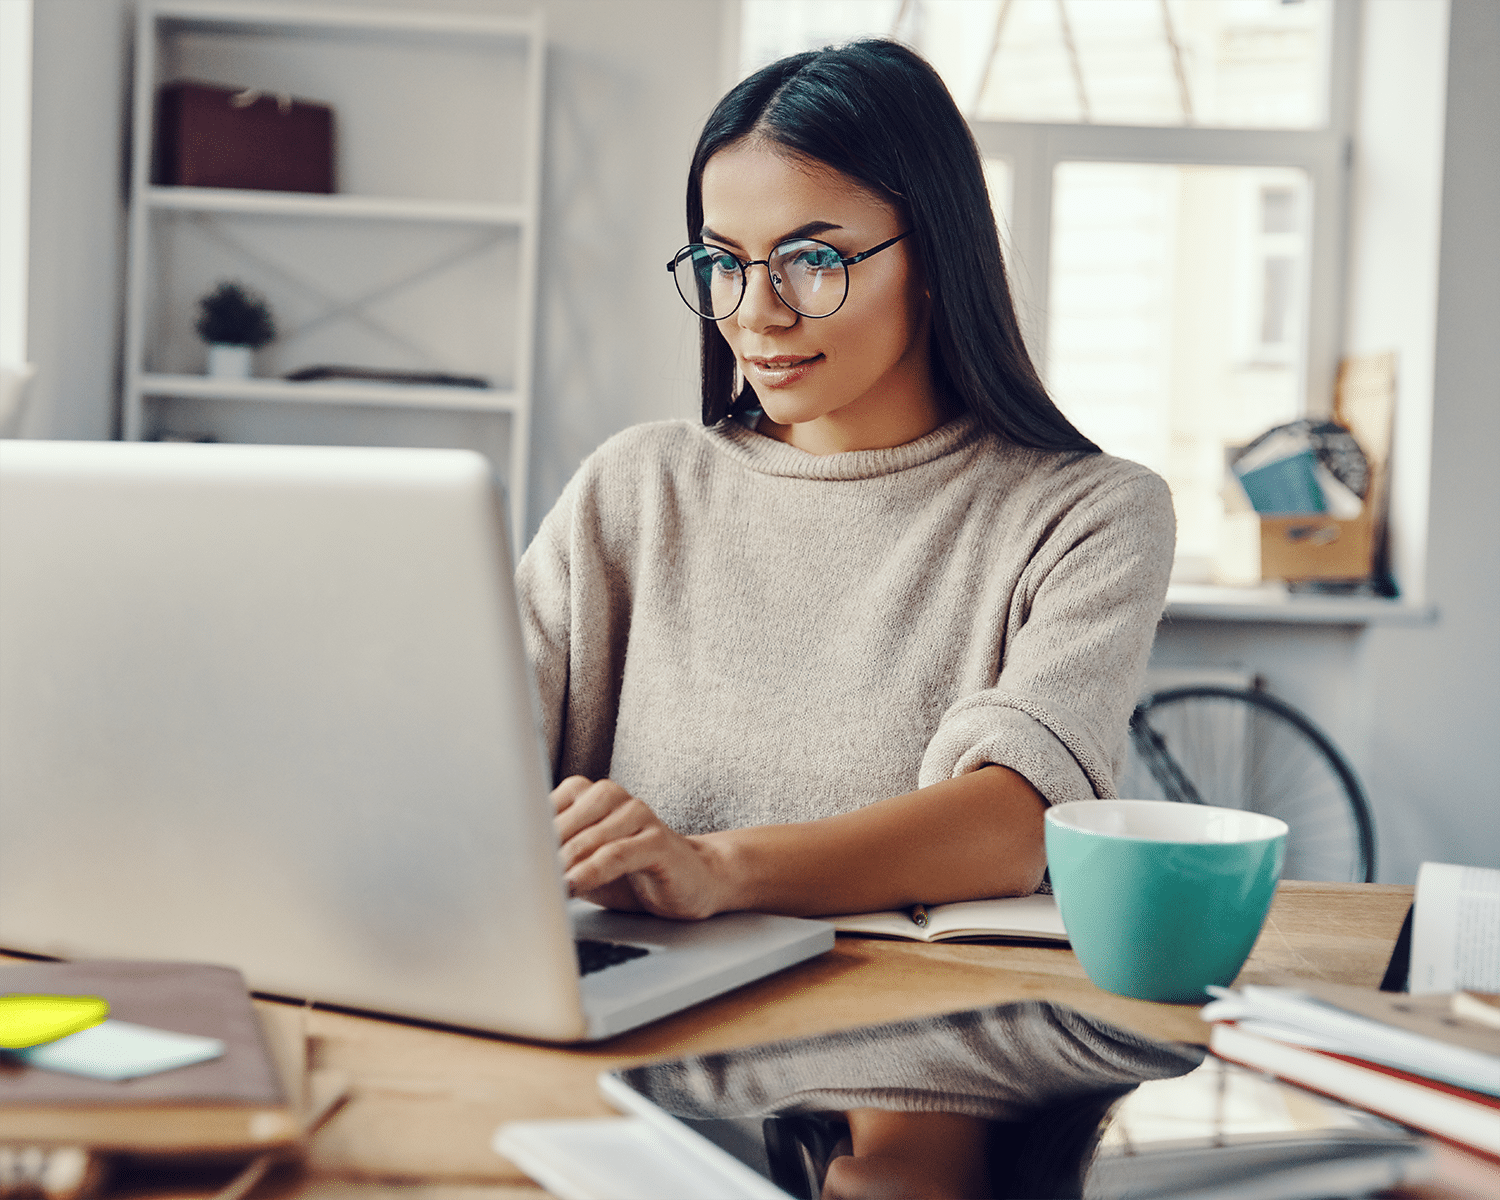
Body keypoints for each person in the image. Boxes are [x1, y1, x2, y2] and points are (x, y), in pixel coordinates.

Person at [517, 39, 1174, 921]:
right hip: (636, 1017)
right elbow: (475, 744)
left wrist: (716, 868)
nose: (756, 313)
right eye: (723, 263)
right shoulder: (634, 488)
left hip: (911, 1033)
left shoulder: (1088, 515)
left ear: (935, 260)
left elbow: (1014, 824)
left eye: (812, 260)